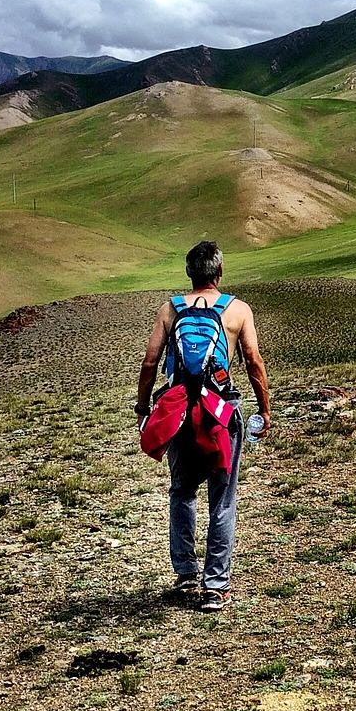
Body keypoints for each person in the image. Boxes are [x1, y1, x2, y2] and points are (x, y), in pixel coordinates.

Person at [136, 239, 273, 612]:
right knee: (222, 499)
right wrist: (265, 409)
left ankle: (184, 575)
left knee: (181, 490)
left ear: (188, 273)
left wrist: (143, 408)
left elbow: (150, 363)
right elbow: (252, 360)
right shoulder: (237, 309)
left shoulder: (170, 309)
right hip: (220, 411)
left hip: (179, 408)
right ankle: (216, 586)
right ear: (220, 272)